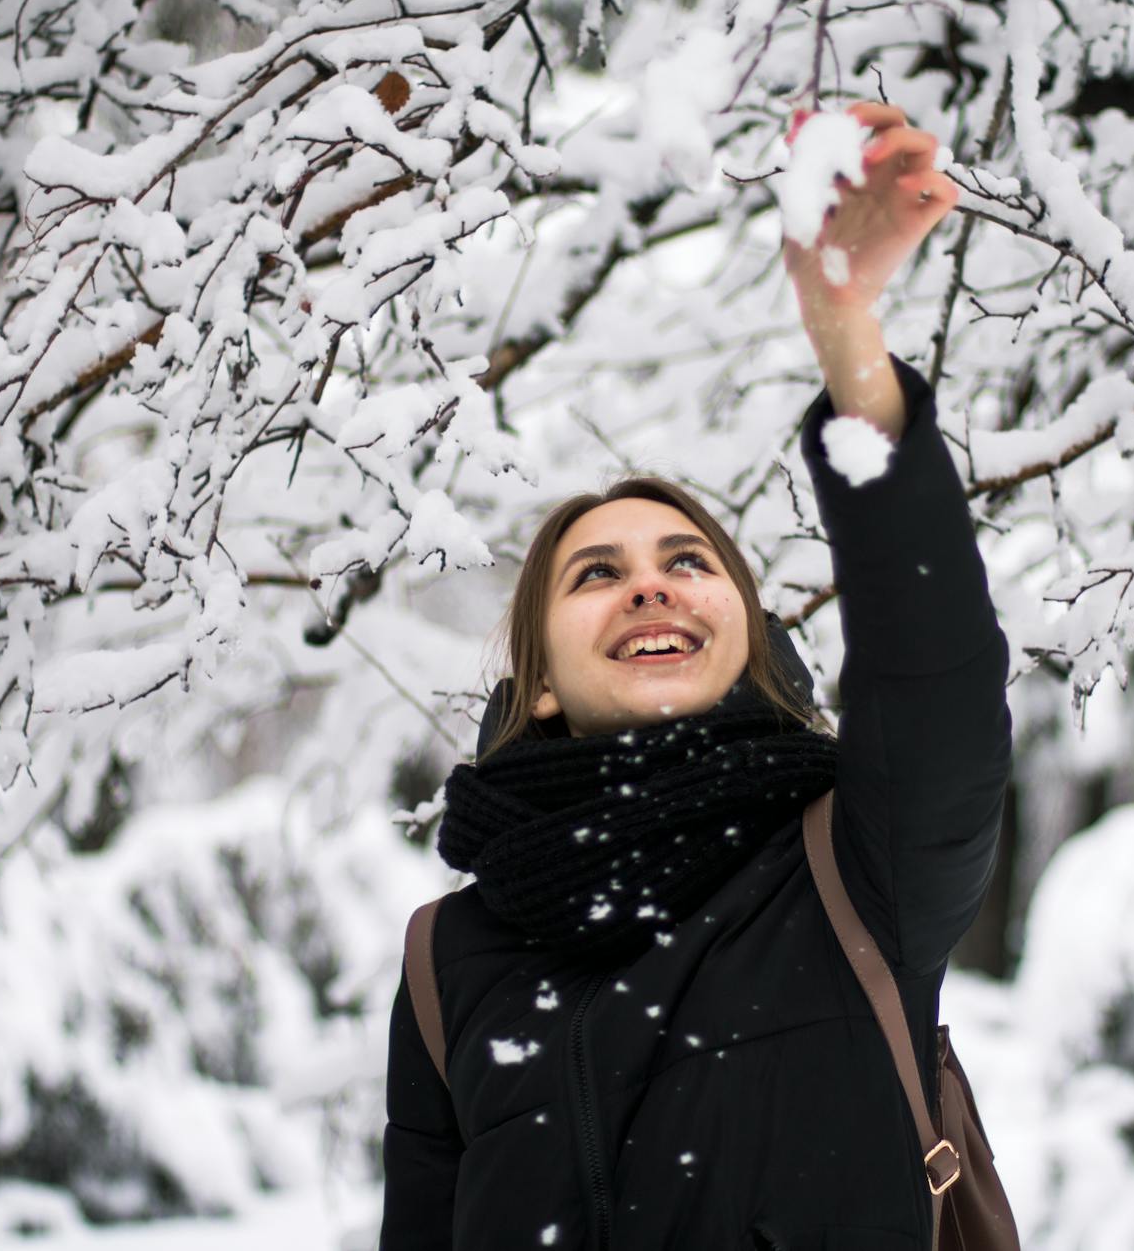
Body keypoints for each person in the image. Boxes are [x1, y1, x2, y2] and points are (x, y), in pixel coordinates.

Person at [379, 104, 1011, 1250]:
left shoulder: (854, 864)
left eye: (687, 561)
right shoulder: (447, 960)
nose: (651, 586)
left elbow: (938, 674)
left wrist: (846, 341)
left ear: (746, 636)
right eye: (596, 574)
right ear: (542, 688)